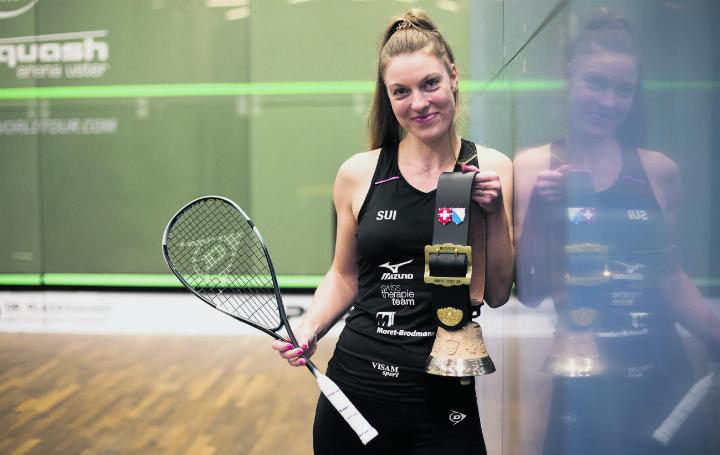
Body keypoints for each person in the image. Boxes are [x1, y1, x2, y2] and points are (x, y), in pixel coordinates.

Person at [272, 9, 513, 454]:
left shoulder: (493, 168)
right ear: (387, 97)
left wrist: (495, 212)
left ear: (454, 77)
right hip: (357, 387)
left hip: (447, 397)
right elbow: (344, 276)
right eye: (401, 92)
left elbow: (498, 292)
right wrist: (309, 328)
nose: (418, 103)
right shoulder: (358, 174)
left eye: (430, 84)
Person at [514, 9, 720, 454]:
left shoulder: (659, 171)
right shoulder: (532, 167)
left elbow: (669, 277)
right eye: (596, 83)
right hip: (583, 378)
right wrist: (543, 216)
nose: (608, 102)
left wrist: (714, 332)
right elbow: (529, 291)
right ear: (570, 76)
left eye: (623, 90)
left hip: (661, 374)